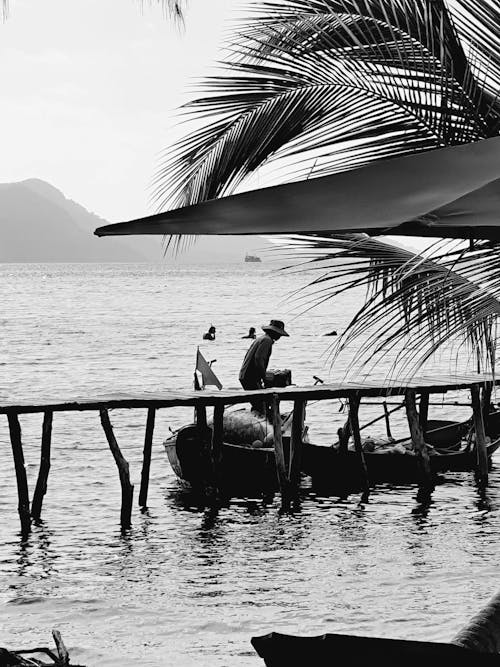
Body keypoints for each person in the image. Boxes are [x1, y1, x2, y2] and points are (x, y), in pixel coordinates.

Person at [239, 319, 289, 414]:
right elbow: (259, 359)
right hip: (250, 377)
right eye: (279, 334)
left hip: (245, 375)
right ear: (274, 332)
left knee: (259, 403)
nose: (279, 336)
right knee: (262, 405)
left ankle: (259, 420)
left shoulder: (261, 339)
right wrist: (264, 377)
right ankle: (261, 424)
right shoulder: (267, 341)